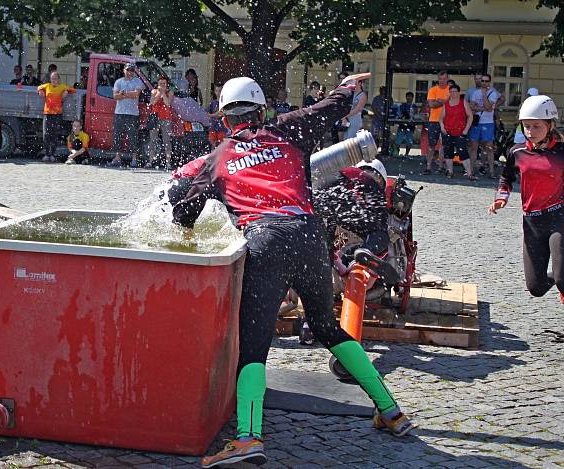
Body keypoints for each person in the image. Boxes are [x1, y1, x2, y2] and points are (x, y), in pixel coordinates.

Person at [170, 74, 414, 468]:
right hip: (309, 236)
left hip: (266, 242)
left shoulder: (218, 160)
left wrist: (188, 200)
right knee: (326, 326)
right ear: (262, 111)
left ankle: (249, 438)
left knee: (254, 344)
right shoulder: (288, 129)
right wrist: (348, 88)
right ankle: (391, 410)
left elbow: (183, 212)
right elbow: (331, 107)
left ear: (225, 120)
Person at [489, 95, 564, 303]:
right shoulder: (517, 152)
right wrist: (501, 198)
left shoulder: (561, 152)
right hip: (532, 222)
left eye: (536, 126)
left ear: (550, 125)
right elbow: (506, 177)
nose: (530, 132)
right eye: (526, 126)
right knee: (536, 287)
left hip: (559, 217)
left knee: (563, 278)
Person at [108, 62, 144, 168]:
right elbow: (115, 96)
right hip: (119, 113)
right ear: (124, 70)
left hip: (133, 114)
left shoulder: (137, 81)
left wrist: (123, 93)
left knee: (133, 137)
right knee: (117, 136)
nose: (130, 72)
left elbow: (136, 94)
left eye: (132, 70)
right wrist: (128, 94)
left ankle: (134, 159)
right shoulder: (118, 82)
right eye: (128, 70)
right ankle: (117, 157)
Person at [469, 73, 503, 179]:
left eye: (486, 81)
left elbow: (489, 106)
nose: (483, 83)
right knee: (474, 147)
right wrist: (484, 108)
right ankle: (471, 171)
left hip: (488, 123)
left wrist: (484, 96)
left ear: (489, 82)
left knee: (489, 147)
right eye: (482, 81)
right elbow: (472, 107)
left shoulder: (493, 93)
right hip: (476, 122)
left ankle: (491, 171)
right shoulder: (475, 93)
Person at [37, 71, 76, 162]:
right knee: (46, 135)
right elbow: (39, 87)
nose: (54, 80)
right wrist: (40, 91)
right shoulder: (47, 86)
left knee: (54, 135)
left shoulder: (62, 86)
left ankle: (53, 154)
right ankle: (47, 154)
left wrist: (66, 91)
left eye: (55, 78)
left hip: (57, 114)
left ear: (58, 79)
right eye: (52, 78)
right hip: (47, 113)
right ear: (50, 79)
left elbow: (73, 90)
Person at [439, 84, 475, 180]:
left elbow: (470, 116)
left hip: (460, 132)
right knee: (448, 152)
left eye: (455, 91)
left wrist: (466, 129)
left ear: (458, 92)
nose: (453, 94)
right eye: (451, 92)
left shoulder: (463, 102)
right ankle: (450, 171)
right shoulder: (446, 104)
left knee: (463, 152)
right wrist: (442, 126)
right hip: (448, 131)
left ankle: (469, 174)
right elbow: (441, 118)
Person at [424, 70, 450, 174]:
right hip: (434, 120)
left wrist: (439, 101)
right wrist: (444, 101)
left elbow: (451, 104)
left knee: (444, 145)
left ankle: (441, 166)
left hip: (446, 120)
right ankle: (428, 166)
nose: (442, 81)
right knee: (431, 145)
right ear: (438, 79)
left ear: (447, 79)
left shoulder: (450, 90)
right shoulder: (433, 90)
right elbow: (431, 105)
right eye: (440, 79)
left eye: (444, 79)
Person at [147, 74, 174, 168]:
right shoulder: (154, 91)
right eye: (161, 84)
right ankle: (150, 161)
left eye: (164, 84)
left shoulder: (170, 93)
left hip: (166, 118)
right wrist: (159, 93)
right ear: (157, 84)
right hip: (155, 117)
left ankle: (168, 162)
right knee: (152, 140)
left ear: (167, 85)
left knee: (167, 140)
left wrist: (163, 93)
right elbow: (152, 102)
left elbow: (167, 104)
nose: (162, 85)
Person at [370, 86, 391, 153]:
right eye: (381, 90)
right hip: (377, 120)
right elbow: (373, 107)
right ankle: (375, 149)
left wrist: (386, 116)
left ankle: (384, 150)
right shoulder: (376, 98)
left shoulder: (389, 99)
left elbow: (391, 108)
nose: (382, 91)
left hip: (385, 120)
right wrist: (379, 115)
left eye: (384, 90)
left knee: (385, 135)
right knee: (375, 135)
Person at [206, 82, 226, 148]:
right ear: (214, 92)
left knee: (221, 145)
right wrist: (215, 114)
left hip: (222, 128)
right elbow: (206, 114)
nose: (218, 93)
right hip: (213, 127)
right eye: (217, 91)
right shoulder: (212, 103)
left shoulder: (225, 103)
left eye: (220, 91)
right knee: (213, 144)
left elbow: (224, 114)